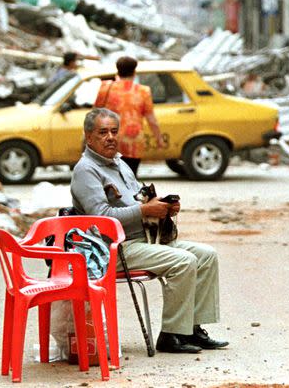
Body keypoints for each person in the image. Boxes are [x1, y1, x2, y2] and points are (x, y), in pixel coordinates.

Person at [71, 108, 228, 354]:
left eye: (114, 131)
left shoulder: (119, 163)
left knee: (206, 254)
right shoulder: (86, 170)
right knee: (184, 260)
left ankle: (192, 329)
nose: (110, 137)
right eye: (102, 132)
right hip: (116, 249)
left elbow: (138, 200)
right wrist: (145, 211)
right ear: (88, 137)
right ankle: (171, 335)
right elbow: (101, 218)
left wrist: (163, 206)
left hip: (144, 239)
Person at [93, 56, 162, 175]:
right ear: (134, 72)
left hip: (109, 141)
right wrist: (159, 138)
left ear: (117, 70)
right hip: (133, 143)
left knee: (110, 179)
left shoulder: (105, 88)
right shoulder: (143, 91)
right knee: (130, 178)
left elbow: (95, 114)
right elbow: (151, 119)